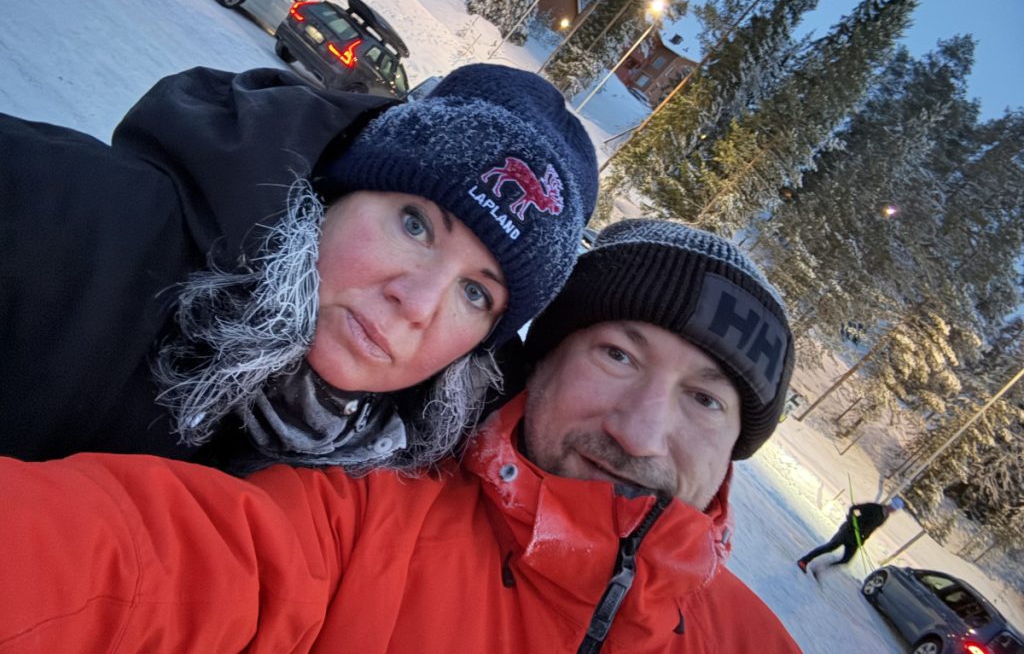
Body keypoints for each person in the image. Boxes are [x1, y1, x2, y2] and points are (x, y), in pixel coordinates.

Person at [0, 218, 800, 653]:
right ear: (542, 364)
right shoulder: (361, 515)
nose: (642, 431)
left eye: (705, 399)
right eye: (618, 355)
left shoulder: (756, 644)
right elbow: (138, 566)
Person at [0, 63, 597, 471]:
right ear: (337, 191)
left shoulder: (386, 480)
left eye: (474, 294)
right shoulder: (61, 214)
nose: (416, 304)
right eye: (415, 225)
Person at [797, 500, 903, 574]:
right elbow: (854, 508)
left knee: (846, 560)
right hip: (847, 531)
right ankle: (804, 561)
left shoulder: (885, 516)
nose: (892, 509)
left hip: (856, 539)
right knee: (829, 547)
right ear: (890, 504)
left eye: (894, 509)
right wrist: (851, 519)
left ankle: (819, 568)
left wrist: (863, 539)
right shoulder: (874, 507)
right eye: (892, 506)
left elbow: (871, 529)